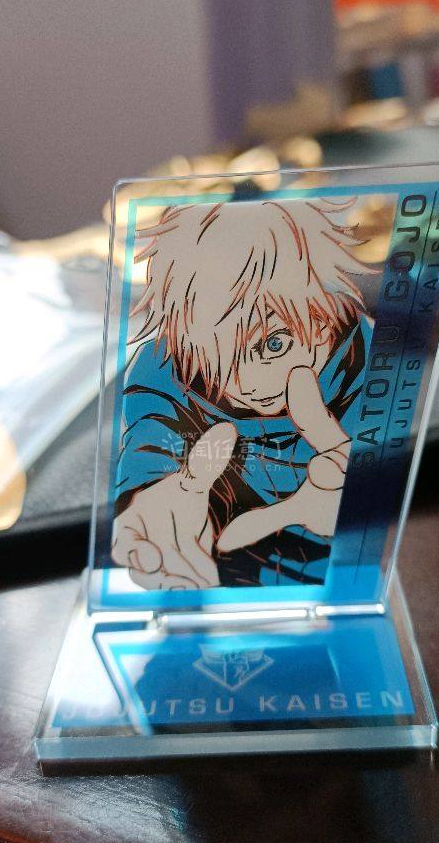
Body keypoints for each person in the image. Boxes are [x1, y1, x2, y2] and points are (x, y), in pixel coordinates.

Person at [111, 196, 377, 591]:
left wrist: (361, 495)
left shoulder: (371, 365)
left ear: (323, 315)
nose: (249, 384)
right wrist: (148, 498)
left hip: (342, 582)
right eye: (219, 357)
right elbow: (152, 439)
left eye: (274, 343)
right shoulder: (166, 366)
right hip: (211, 587)